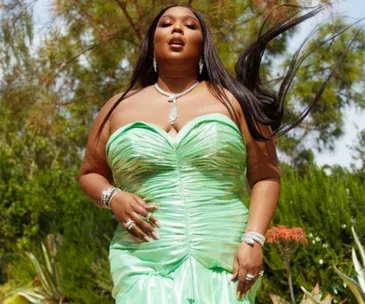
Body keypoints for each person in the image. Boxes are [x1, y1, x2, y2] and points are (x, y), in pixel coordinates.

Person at [78, 4, 350, 303]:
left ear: (204, 43)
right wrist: (112, 196)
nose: (178, 29)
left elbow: (266, 176)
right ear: (151, 42)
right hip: (143, 257)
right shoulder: (117, 108)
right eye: (166, 23)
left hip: (225, 256)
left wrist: (254, 239)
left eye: (190, 25)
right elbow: (90, 174)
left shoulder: (236, 102)